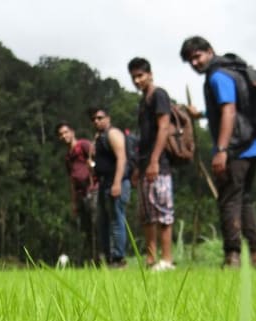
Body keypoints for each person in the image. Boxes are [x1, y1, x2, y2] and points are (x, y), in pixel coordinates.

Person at [180, 36, 256, 268]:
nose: (195, 63)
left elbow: (229, 112)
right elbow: (229, 109)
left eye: (197, 56)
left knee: (229, 201)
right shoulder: (231, 72)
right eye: (191, 60)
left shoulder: (218, 76)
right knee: (244, 201)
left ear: (210, 51)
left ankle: (232, 257)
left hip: (235, 149)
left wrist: (221, 150)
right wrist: (200, 115)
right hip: (251, 146)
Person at [127, 57, 175, 271]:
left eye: (140, 75)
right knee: (147, 215)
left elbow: (164, 128)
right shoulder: (142, 101)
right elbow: (143, 138)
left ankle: (167, 260)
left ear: (150, 74)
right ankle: (150, 259)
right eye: (133, 77)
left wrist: (155, 160)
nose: (137, 80)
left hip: (160, 164)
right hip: (144, 164)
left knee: (163, 212)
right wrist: (139, 167)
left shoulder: (159, 95)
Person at [88, 106, 131, 268]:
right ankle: (107, 257)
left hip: (116, 182)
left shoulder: (113, 134)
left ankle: (119, 258)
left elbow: (122, 158)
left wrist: (117, 183)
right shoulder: (99, 138)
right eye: (94, 119)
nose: (96, 121)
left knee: (116, 220)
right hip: (104, 183)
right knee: (103, 222)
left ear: (108, 118)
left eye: (100, 118)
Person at [55, 121, 99, 266]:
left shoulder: (84, 145)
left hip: (93, 190)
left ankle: (102, 257)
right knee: (86, 228)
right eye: (61, 134)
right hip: (80, 195)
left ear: (72, 132)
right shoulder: (68, 157)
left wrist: (92, 167)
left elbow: (97, 159)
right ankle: (91, 260)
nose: (63, 136)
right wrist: (73, 202)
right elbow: (72, 180)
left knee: (96, 225)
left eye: (65, 132)